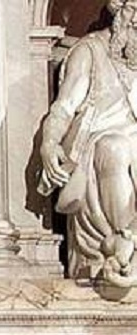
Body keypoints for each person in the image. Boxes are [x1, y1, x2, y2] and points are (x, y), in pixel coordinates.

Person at [39, 0, 137, 285]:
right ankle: (123, 242)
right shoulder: (89, 51)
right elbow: (64, 107)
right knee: (116, 147)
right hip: (98, 145)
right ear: (122, 15)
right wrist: (50, 143)